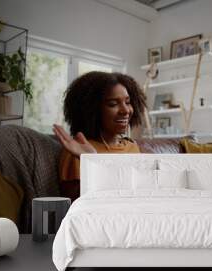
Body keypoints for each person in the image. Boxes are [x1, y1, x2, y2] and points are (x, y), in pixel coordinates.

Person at [53, 71, 146, 201]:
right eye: (113, 104)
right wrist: (92, 160)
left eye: (128, 102)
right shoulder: (77, 152)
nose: (125, 110)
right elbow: (79, 207)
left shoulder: (132, 147)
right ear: (92, 109)